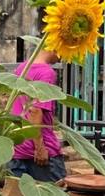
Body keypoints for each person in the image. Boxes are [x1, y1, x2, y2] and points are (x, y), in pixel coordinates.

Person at [7, 48, 66, 183]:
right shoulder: (47, 73)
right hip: (39, 152)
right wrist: (40, 148)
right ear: (55, 47)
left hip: (18, 148)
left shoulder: (23, 67)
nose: (63, 58)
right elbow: (35, 110)